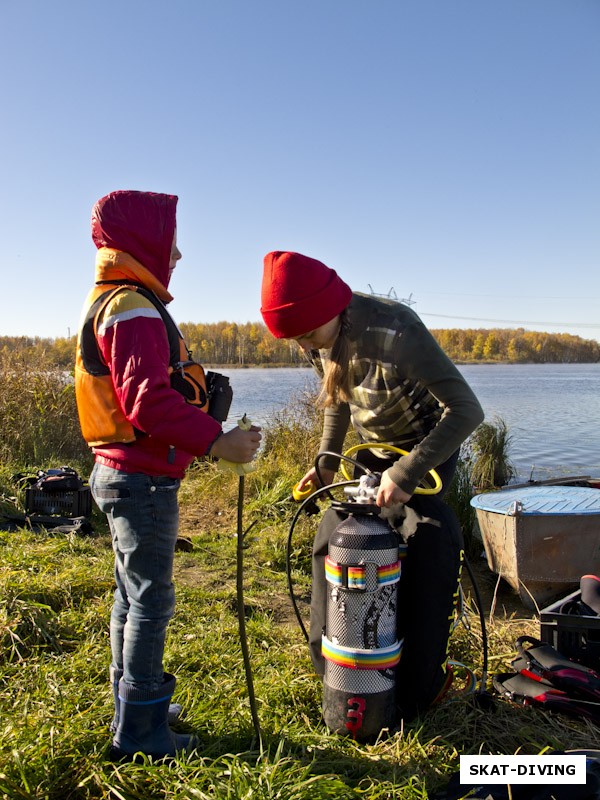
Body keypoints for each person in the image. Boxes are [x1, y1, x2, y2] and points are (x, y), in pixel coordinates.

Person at [75, 190, 261, 760]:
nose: (178, 255)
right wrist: (218, 440)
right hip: (143, 482)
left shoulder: (115, 298)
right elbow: (147, 403)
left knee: (130, 598)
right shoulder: (131, 305)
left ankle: (133, 702)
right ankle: (141, 733)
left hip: (121, 475)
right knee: (152, 601)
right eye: (171, 242)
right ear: (144, 242)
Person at [260, 250, 484, 724]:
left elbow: (467, 411)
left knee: (424, 549)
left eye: (306, 335)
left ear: (331, 311)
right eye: (294, 339)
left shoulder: (397, 330)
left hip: (425, 456)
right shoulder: (321, 336)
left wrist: (407, 474)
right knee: (337, 539)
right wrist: (324, 464)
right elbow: (336, 401)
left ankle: (420, 684)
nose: (303, 347)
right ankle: (339, 674)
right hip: (372, 456)